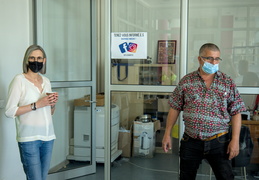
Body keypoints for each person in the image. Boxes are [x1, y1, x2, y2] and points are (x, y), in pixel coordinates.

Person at [162, 43, 246, 180]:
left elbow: (236, 112)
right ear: (200, 59)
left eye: (217, 59)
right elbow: (175, 107)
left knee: (226, 177)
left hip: (219, 142)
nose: (214, 62)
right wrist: (167, 134)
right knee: (186, 177)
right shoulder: (186, 81)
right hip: (191, 142)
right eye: (209, 58)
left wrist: (235, 140)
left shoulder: (227, 82)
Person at [5, 45, 59, 180]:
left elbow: (50, 113)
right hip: (29, 139)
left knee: (42, 178)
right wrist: (37, 104)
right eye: (32, 58)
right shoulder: (19, 80)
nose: (36, 61)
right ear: (26, 60)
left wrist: (51, 104)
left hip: (48, 137)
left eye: (39, 58)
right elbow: (10, 111)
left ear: (44, 60)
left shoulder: (46, 81)